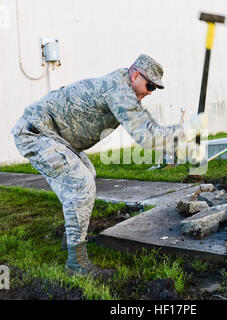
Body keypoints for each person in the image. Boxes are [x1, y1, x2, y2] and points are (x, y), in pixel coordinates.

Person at [11, 54, 207, 279]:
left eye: (154, 89)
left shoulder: (122, 86)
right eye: (149, 85)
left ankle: (71, 235)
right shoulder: (118, 89)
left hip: (55, 137)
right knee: (81, 186)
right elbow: (147, 135)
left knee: (87, 176)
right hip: (35, 133)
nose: (150, 92)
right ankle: (77, 264)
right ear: (135, 75)